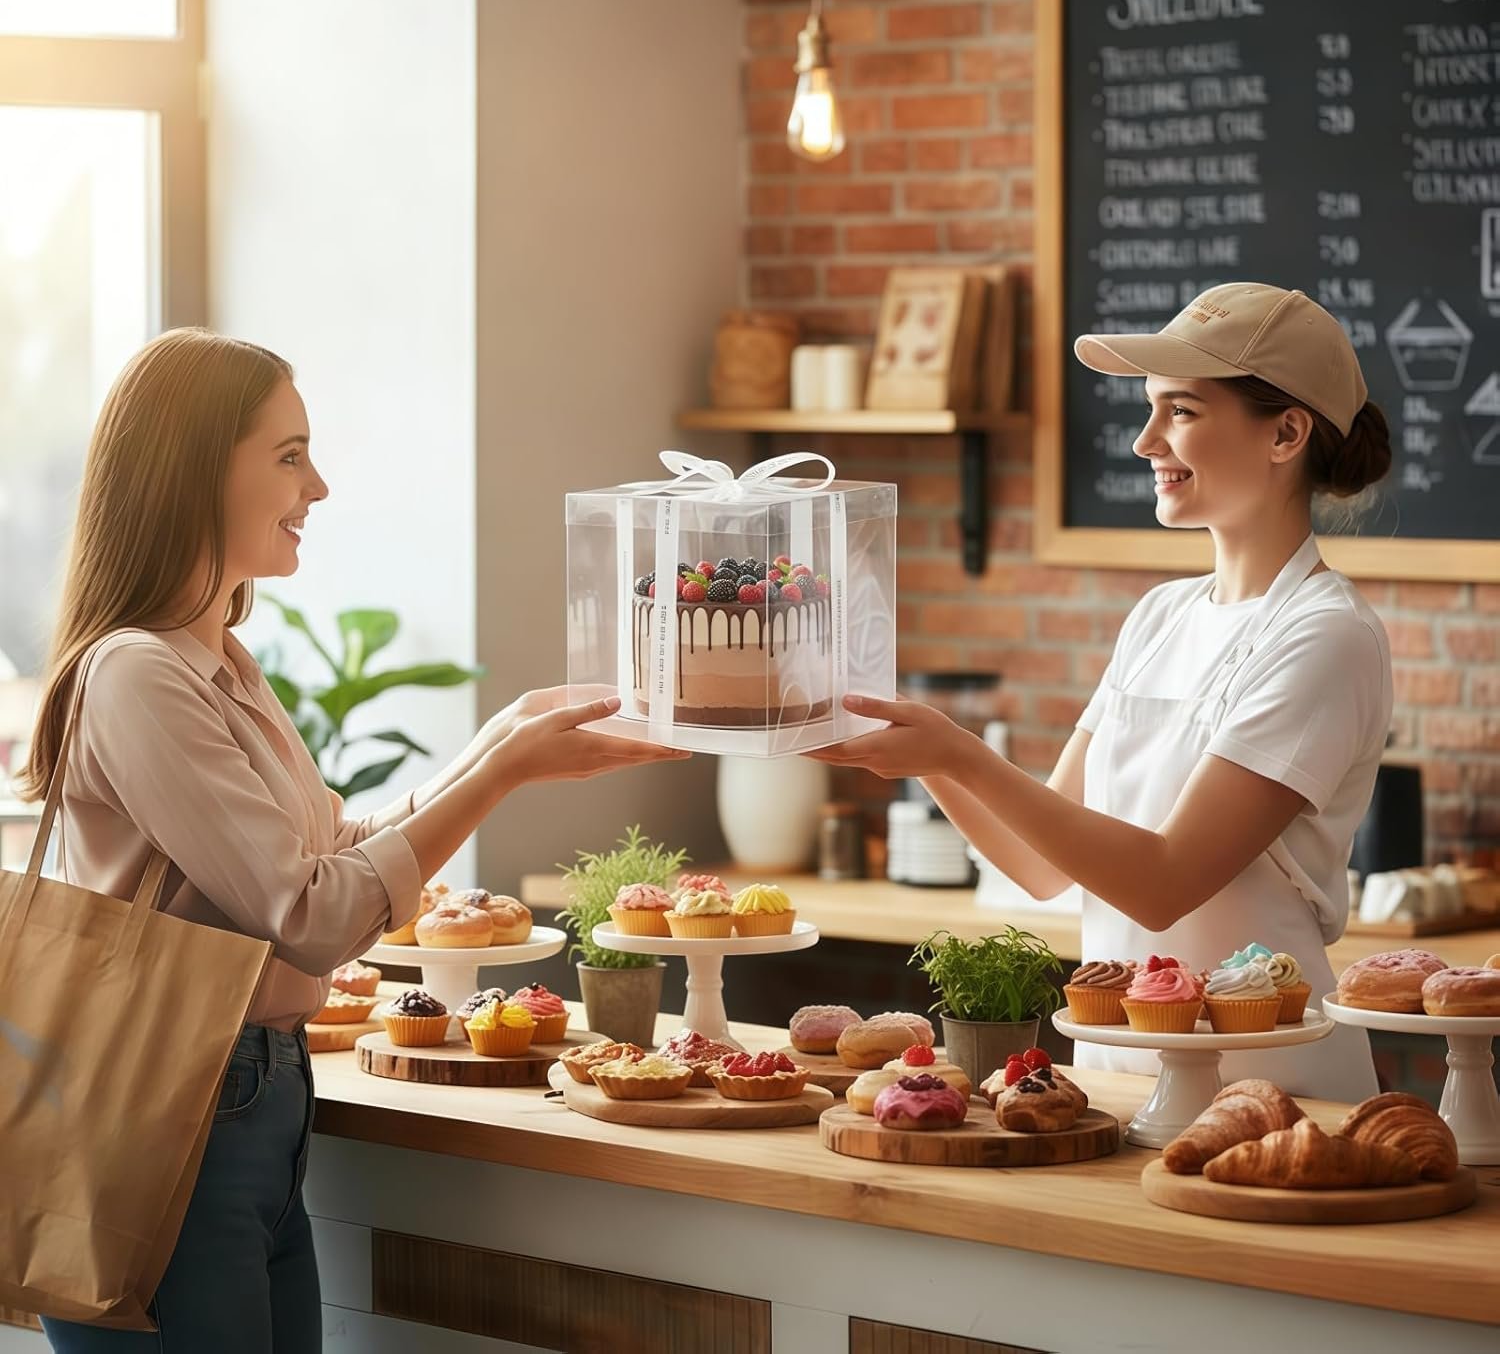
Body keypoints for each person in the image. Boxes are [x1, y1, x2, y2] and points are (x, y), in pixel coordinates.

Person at [16, 328, 687, 1351]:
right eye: (288, 455)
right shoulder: (136, 674)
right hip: (177, 1110)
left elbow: (339, 842)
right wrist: (500, 772)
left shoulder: (224, 664)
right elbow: (313, 915)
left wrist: (499, 743)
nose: (317, 486)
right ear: (196, 471)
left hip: (256, 1102)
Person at [811, 283, 1393, 1100]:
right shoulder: (1160, 615)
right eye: (1151, 410)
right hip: (1119, 1075)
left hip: (1274, 1090)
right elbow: (1037, 868)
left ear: (1286, 432)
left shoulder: (1326, 635)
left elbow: (1162, 883)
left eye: (1182, 411)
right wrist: (919, 751)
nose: (1146, 441)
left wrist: (958, 752)